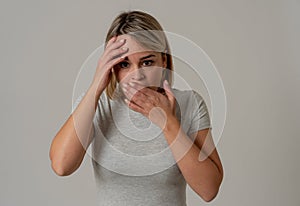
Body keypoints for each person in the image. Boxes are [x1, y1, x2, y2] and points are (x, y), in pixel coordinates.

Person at [49, 10, 223, 205]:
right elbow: (61, 166)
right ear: (112, 67)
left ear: (163, 61)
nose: (137, 75)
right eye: (124, 64)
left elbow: (209, 189)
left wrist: (169, 124)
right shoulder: (99, 105)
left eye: (147, 62)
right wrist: (96, 86)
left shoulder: (189, 103)